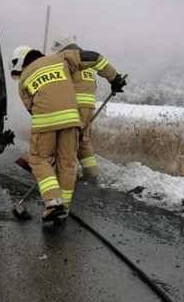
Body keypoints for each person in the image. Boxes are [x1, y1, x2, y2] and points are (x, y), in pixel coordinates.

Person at [10, 45, 125, 222]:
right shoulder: (61, 58)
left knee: (39, 159)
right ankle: (63, 208)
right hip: (72, 119)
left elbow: (31, 108)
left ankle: (52, 203)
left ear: (20, 64)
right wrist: (114, 78)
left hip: (45, 120)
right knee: (67, 163)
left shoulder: (24, 78)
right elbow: (94, 56)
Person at [51, 37, 126, 180]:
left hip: (71, 106)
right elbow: (101, 64)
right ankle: (91, 173)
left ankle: (65, 176)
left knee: (65, 140)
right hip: (88, 108)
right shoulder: (86, 62)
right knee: (83, 140)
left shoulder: (70, 58)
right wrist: (115, 78)